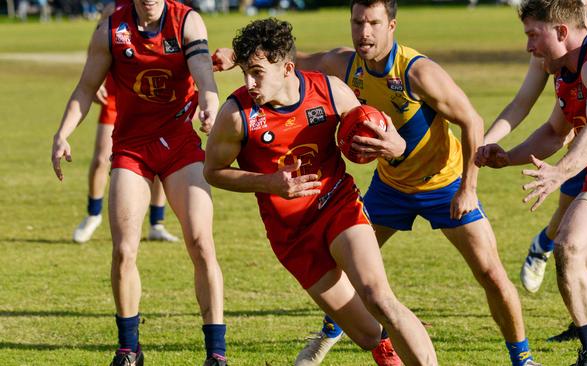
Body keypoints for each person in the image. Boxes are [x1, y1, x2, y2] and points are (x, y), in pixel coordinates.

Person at [212, 1, 539, 365]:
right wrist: (239, 57)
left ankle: (522, 358)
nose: (363, 32)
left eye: (373, 23)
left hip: (439, 184)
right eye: (356, 22)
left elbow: (471, 121)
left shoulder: (416, 72)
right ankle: (338, 330)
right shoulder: (339, 66)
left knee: (479, 275)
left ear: (392, 25)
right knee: (367, 308)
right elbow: (294, 60)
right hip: (385, 189)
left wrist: (467, 187)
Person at [204, 17, 437, 366]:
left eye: (257, 72)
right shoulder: (236, 115)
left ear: (287, 69)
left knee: (379, 298)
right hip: (293, 236)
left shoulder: (329, 91)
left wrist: (395, 144)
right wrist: (269, 183)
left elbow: (377, 130)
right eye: (245, 73)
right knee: (368, 334)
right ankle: (387, 352)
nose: (249, 83)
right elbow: (213, 172)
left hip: (337, 206)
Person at [50, 0, 227, 364]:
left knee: (201, 243)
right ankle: (129, 349)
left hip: (180, 145)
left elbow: (204, 75)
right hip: (133, 150)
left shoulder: (187, 21)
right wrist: (62, 133)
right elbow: (86, 88)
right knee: (124, 250)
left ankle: (217, 354)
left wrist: (209, 103)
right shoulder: (109, 30)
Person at [478, 0, 587, 364]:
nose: (528, 47)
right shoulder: (565, 72)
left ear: (560, 32)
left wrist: (562, 171)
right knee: (567, 246)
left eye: (532, 36)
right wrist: (508, 156)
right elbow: (555, 132)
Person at [73, 0, 179, 244]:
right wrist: (96, 80)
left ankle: (157, 223)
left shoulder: (170, 10)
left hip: (154, 96)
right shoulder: (115, 10)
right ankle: (93, 214)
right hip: (117, 94)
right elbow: (97, 43)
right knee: (102, 157)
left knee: (162, 158)